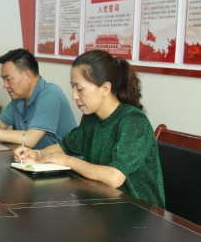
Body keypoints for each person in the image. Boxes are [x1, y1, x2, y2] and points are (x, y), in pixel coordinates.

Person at [15, 50, 165, 208]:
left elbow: (114, 177)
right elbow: (65, 146)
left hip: (139, 210)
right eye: (73, 88)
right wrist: (37, 154)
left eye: (80, 89)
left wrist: (67, 161)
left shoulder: (134, 122)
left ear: (105, 88)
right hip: (103, 203)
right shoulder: (92, 119)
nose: (74, 96)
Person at [0, 48, 77, 150]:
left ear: (28, 76)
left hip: (63, 165)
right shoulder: (19, 98)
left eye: (8, 79)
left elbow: (30, 139)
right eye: (3, 80)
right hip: (34, 160)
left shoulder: (50, 95)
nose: (5, 85)